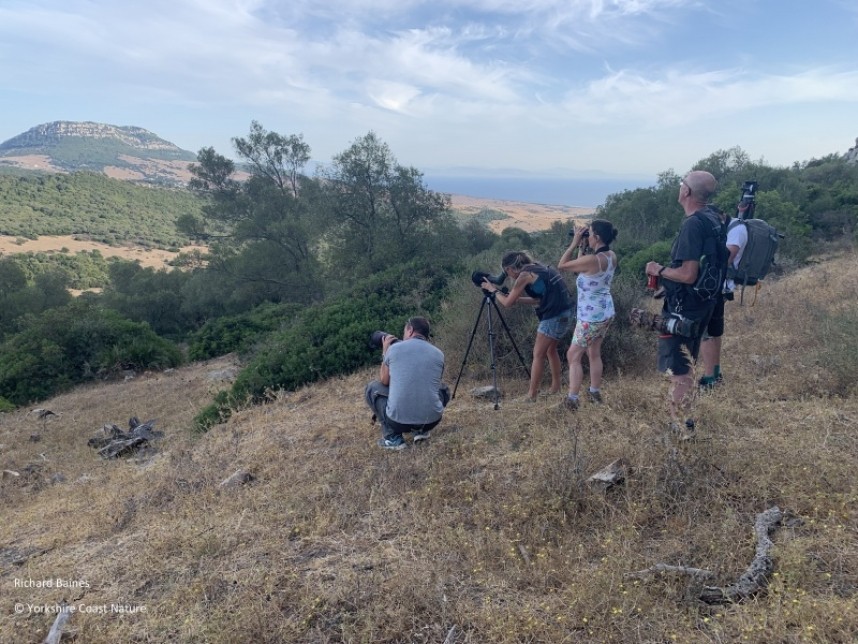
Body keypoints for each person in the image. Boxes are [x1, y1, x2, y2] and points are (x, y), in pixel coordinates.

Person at [645, 170, 722, 437]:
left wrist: (659, 270)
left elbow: (688, 274)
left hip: (684, 309)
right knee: (687, 366)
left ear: (686, 192)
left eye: (682, 184)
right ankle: (687, 423)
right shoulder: (714, 217)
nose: (680, 188)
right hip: (704, 303)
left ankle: (678, 429)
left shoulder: (692, 224)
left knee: (679, 371)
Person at [481, 251, 573, 401]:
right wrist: (516, 297)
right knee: (550, 350)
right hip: (566, 312)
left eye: (506, 272)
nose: (508, 275)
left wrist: (493, 290)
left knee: (538, 354)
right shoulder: (539, 267)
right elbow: (537, 299)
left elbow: (507, 304)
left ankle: (531, 395)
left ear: (510, 268)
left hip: (553, 316)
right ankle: (556, 387)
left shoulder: (524, 276)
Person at [557, 219, 619, 410]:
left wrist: (575, 242)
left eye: (589, 233)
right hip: (605, 312)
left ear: (597, 237)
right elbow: (580, 269)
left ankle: (572, 400)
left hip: (590, 317)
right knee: (594, 353)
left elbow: (563, 265)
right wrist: (583, 247)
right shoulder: (611, 256)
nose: (587, 236)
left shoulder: (592, 261)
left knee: (573, 355)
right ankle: (594, 392)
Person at [364, 317, 448, 450]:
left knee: (372, 388)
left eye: (404, 331)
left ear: (410, 330)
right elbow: (432, 383)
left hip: (399, 423)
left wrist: (385, 351)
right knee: (443, 389)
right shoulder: (439, 354)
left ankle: (393, 438)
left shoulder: (394, 349)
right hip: (431, 421)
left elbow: (384, 381)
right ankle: (421, 431)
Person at [699, 202, 749, 389]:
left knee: (707, 332)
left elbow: (725, 258)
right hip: (719, 285)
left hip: (719, 286)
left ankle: (710, 377)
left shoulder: (736, 230)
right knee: (713, 332)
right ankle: (714, 374)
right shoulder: (732, 226)